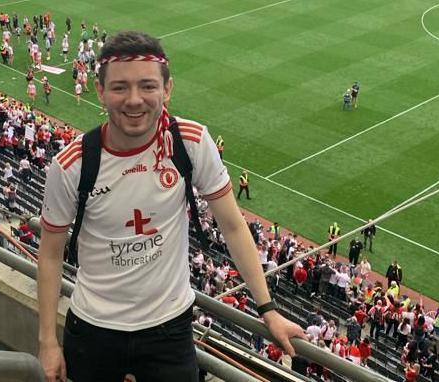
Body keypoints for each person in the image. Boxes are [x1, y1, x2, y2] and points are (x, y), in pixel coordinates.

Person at [36, 31, 304, 382]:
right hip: (93, 329)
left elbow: (233, 226)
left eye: (147, 86)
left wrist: (267, 309)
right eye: (119, 87)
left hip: (170, 329)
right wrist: (47, 342)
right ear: (100, 92)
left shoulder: (190, 142)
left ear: (167, 90)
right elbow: (51, 253)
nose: (134, 100)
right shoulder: (71, 164)